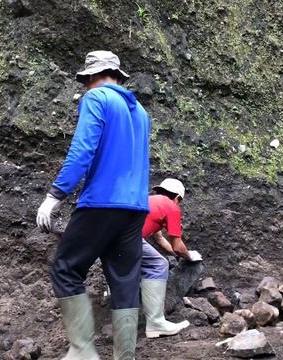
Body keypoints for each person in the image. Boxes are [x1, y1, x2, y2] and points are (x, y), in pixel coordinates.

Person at [36, 50, 150, 360]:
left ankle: (83, 352)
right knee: (125, 282)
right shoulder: (140, 111)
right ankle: (124, 356)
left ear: (90, 77)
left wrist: (55, 196)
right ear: (118, 75)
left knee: (66, 269)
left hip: (101, 202)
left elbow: (82, 150)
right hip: (136, 207)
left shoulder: (96, 98)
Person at [140, 178, 198, 338]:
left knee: (130, 269)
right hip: (127, 238)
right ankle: (156, 323)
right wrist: (189, 256)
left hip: (108, 237)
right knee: (158, 264)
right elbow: (178, 245)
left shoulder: (149, 201)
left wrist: (176, 255)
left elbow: (159, 239)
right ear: (178, 198)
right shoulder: (172, 207)